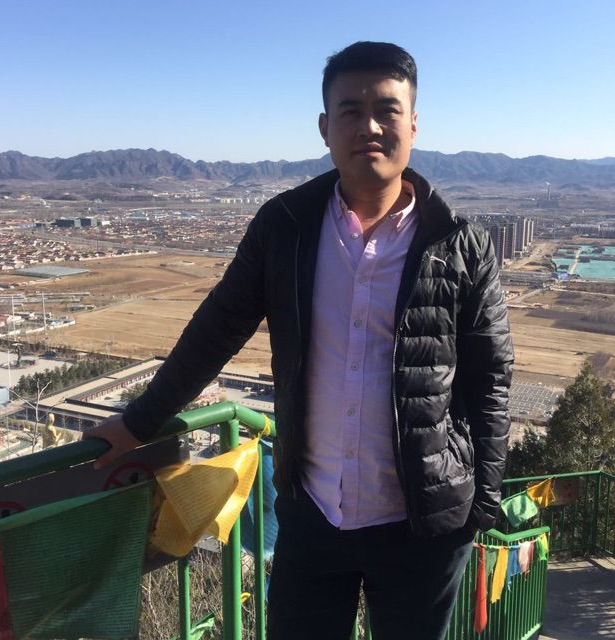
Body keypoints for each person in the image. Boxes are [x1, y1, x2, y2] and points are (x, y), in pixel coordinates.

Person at [85, 41, 513, 640]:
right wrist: (141, 420)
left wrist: (482, 504)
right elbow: (217, 328)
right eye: (350, 110)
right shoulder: (284, 227)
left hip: (425, 528)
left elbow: (490, 378)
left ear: (414, 125)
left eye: (387, 110)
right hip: (313, 514)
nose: (369, 126)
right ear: (324, 127)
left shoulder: (461, 244)